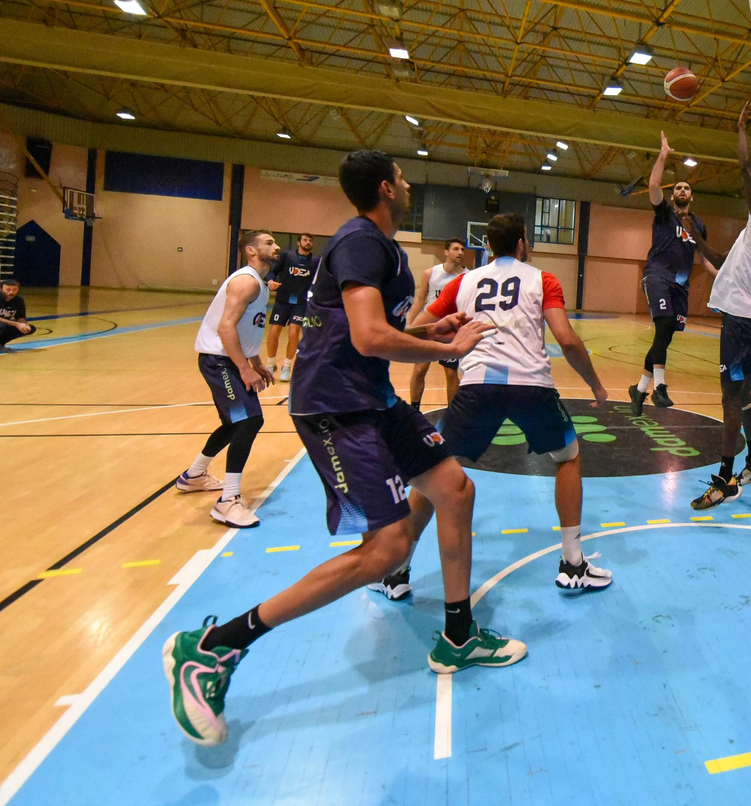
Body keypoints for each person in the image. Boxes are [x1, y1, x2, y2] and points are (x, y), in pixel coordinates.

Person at [162, 150, 506, 749]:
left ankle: (458, 634)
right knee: (388, 546)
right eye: (400, 177)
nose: (406, 183)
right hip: (335, 409)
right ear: (384, 188)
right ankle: (213, 648)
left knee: (453, 488)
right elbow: (372, 338)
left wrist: (431, 330)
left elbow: (361, 327)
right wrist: (450, 353)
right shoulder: (360, 241)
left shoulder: (381, 247)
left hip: (369, 398)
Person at [413, 212, 614, 596]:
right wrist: (596, 385)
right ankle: (573, 563)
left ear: (488, 245)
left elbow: (421, 328)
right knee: (568, 457)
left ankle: (396, 570)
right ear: (522, 243)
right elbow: (567, 341)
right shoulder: (543, 278)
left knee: (432, 474)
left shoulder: (462, 281)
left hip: (476, 386)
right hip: (531, 387)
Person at [687, 102, 751, 510]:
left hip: (742, 325)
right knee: (743, 398)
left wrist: (741, 127)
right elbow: (721, 256)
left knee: (730, 402)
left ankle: (725, 480)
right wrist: (694, 238)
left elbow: (745, 169)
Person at [174, 230, 281, 528]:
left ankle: (194, 476)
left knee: (237, 421)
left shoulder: (258, 284)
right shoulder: (246, 281)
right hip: (219, 360)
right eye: (269, 243)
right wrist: (244, 368)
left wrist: (255, 362)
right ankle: (228, 502)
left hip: (229, 359)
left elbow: (247, 329)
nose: (276, 246)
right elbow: (226, 328)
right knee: (249, 420)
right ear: (250, 250)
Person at [630, 132, 711, 416]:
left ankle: (639, 389)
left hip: (681, 286)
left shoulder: (698, 224)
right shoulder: (665, 214)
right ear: (673, 194)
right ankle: (660, 387)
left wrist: (722, 276)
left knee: (665, 337)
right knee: (663, 326)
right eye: (678, 187)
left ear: (692, 195)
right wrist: (663, 155)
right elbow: (653, 185)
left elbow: (704, 258)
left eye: (686, 188)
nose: (682, 190)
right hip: (657, 275)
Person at [408, 238, 469, 411]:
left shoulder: (467, 276)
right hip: (429, 327)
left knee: (450, 373)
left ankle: (452, 413)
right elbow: (420, 300)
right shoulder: (430, 273)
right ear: (446, 252)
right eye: (456, 249)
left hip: (450, 331)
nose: (460, 253)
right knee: (420, 369)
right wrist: (411, 325)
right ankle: (414, 410)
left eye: (462, 250)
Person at [261, 233, 319, 382]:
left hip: (300, 303)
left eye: (310, 240)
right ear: (299, 242)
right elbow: (272, 272)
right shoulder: (287, 256)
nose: (308, 242)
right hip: (282, 300)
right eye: (305, 240)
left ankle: (286, 366)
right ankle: (270, 364)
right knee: (274, 331)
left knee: (294, 333)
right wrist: (270, 280)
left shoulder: (316, 261)